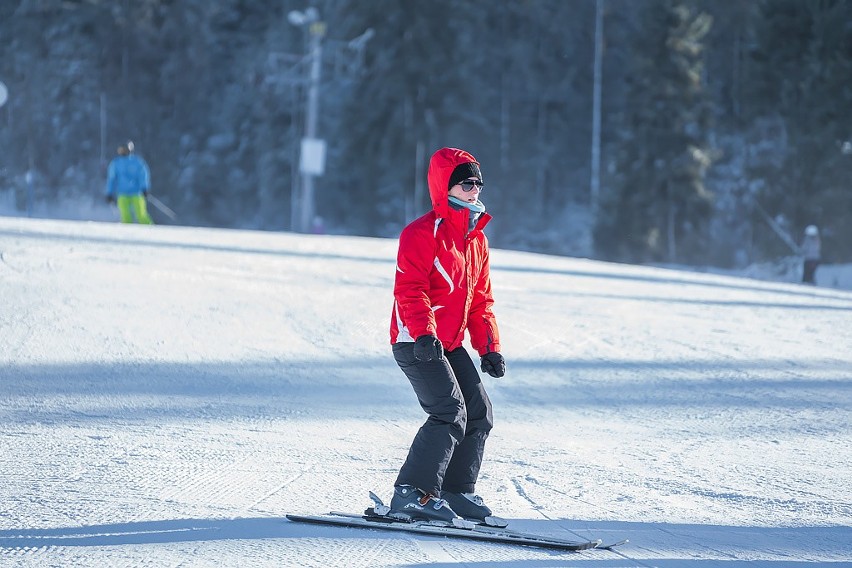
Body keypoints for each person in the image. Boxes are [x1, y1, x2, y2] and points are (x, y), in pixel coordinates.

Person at [388, 147, 506, 524]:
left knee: (479, 412)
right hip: (416, 341)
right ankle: (411, 494)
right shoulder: (421, 233)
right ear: (446, 186)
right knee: (448, 411)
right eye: (467, 182)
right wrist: (423, 333)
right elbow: (410, 289)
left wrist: (488, 347)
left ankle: (456, 491)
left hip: (449, 343)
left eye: (478, 182)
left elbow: (480, 300)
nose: (475, 189)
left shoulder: (476, 240)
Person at [105, 141, 153, 224]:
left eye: (124, 150)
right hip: (122, 193)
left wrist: (144, 188)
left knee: (141, 215)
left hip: (137, 193)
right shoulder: (116, 163)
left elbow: (143, 175)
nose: (122, 152)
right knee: (125, 216)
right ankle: (127, 234)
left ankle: (151, 231)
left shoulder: (137, 162)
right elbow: (112, 179)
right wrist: (109, 193)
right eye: (121, 150)